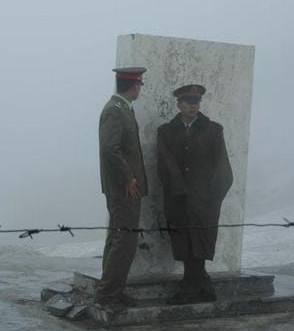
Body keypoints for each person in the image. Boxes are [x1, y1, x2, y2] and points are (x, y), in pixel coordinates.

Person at [156, 84, 233, 305]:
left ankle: (190, 287)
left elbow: (222, 168)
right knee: (184, 241)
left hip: (204, 199)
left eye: (196, 102)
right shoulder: (166, 132)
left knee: (200, 241)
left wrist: (212, 197)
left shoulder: (214, 130)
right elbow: (164, 164)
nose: (193, 106)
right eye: (188, 102)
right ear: (178, 104)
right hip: (178, 198)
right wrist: (178, 189)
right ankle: (200, 285)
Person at [96, 67, 148, 308]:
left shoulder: (123, 109)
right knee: (124, 241)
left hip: (123, 186)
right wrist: (128, 178)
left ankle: (111, 291)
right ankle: (109, 295)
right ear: (134, 85)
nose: (140, 89)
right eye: (140, 85)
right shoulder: (115, 111)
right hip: (123, 187)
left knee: (119, 239)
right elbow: (110, 149)